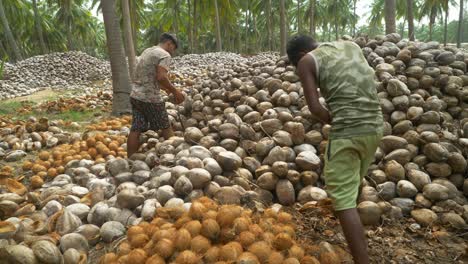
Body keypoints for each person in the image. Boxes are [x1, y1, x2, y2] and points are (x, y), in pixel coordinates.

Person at [287, 35, 384, 264]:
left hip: (348, 132)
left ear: (300, 55)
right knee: (351, 183)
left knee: (342, 200)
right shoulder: (351, 46)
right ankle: (355, 228)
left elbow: (315, 108)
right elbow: (367, 79)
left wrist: (335, 119)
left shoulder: (306, 61)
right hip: (376, 125)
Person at [127, 33, 185, 158]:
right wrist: (175, 91)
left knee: (136, 128)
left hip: (136, 95)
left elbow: (150, 76)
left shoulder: (148, 51)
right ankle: (176, 157)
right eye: (173, 48)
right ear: (169, 43)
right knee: (165, 126)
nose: (172, 52)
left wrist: (167, 89)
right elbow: (161, 77)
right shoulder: (164, 54)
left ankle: (130, 159)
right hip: (150, 98)